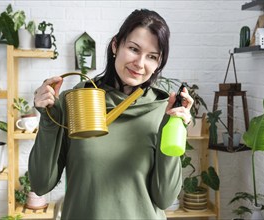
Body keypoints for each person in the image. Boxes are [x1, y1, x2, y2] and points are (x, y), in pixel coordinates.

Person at [28, 9, 194, 219]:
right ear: (116, 45)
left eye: (152, 57)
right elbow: (41, 184)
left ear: (158, 63)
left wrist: (174, 129)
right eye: (134, 49)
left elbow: (165, 198)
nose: (140, 64)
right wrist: (48, 119)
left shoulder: (164, 110)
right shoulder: (76, 102)